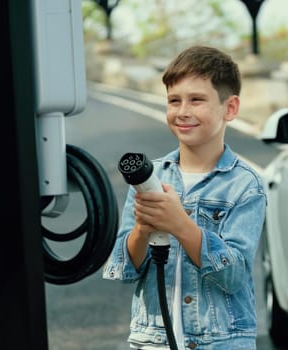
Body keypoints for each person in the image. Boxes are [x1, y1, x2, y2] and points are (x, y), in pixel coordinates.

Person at [103, 45, 267, 350]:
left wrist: (180, 224)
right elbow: (124, 269)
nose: (182, 111)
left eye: (197, 100)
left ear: (230, 108)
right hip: (153, 341)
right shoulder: (151, 179)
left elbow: (233, 275)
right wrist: (143, 228)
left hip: (220, 342)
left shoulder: (246, 185)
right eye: (174, 101)